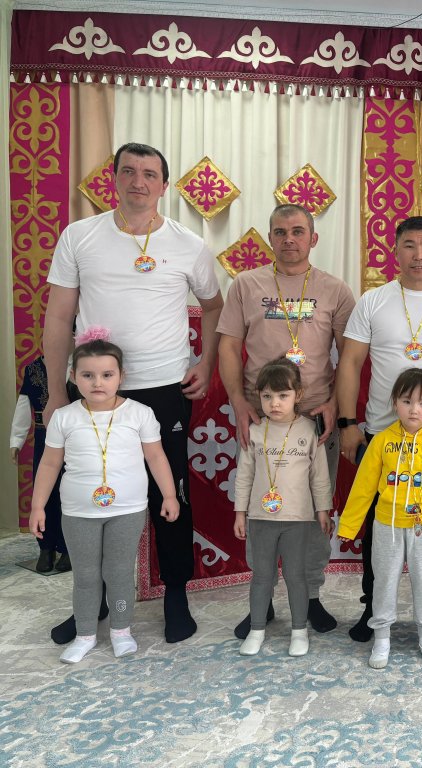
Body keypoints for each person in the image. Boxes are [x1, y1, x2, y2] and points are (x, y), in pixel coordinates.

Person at [43, 142, 224, 645]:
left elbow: (214, 306)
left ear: (164, 185)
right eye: (128, 171)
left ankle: (176, 596)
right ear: (115, 179)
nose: (138, 182)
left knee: (171, 492)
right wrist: (57, 391)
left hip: (164, 388)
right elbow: (58, 316)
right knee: (91, 492)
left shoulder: (189, 243)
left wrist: (205, 362)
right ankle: (95, 600)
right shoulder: (80, 236)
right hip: (94, 392)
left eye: (149, 174)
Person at [218, 203, 355, 639]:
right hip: (262, 418)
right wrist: (237, 401)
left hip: (313, 420)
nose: (289, 239)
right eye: (280, 232)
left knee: (313, 511)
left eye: (298, 231)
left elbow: (350, 356)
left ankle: (309, 596)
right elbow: (228, 346)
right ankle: (262, 600)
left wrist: (335, 402)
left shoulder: (335, 290)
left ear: (314, 238)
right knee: (261, 509)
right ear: (270, 238)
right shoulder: (246, 284)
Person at [336, 216, 422, 644]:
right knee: (381, 525)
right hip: (383, 434)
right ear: (395, 252)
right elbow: (350, 363)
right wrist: (347, 423)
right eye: (410, 246)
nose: (419, 255)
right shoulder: (373, 301)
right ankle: (372, 609)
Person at [29, 333, 179, 663]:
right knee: (85, 575)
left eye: (107, 374)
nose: (98, 382)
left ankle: (121, 631)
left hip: (127, 510)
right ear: (73, 377)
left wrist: (169, 495)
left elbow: (156, 457)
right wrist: (38, 505)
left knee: (119, 572)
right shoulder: (64, 417)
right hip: (78, 512)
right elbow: (50, 464)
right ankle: (85, 634)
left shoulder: (139, 414)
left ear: (121, 376)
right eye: (88, 375)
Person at [338, 369, 422, 669]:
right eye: (407, 401)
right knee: (384, 581)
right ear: (395, 403)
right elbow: (364, 486)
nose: (414, 409)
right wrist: (349, 525)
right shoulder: (381, 441)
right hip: (387, 526)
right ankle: (381, 638)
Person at [233, 358, 333, 658]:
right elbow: (244, 475)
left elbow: (319, 476)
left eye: (282, 395)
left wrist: (323, 511)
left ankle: (299, 631)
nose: (274, 403)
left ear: (298, 395)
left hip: (298, 519)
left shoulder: (310, 430)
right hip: (261, 517)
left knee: (296, 575)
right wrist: (240, 513)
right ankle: (257, 629)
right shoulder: (254, 431)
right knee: (261, 575)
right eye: (267, 396)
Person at [11, 355, 71, 572]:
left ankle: (68, 548)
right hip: (43, 436)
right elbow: (23, 404)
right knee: (44, 491)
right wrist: (16, 440)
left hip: (74, 438)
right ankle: (46, 547)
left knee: (69, 492)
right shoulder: (33, 369)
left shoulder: (82, 364)